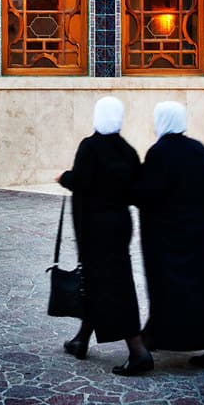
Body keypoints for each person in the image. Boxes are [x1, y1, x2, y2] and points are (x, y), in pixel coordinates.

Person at [134, 101, 204, 371]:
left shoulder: (159, 153)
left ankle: (149, 340)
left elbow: (148, 193)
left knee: (166, 289)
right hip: (199, 238)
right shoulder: (197, 149)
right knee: (201, 290)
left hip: (167, 239)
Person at [56, 95, 153, 376]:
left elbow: (81, 181)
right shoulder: (127, 150)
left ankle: (137, 351)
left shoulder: (90, 147)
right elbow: (135, 189)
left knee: (114, 286)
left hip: (95, 230)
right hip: (119, 226)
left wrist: (64, 177)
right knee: (98, 282)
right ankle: (81, 340)